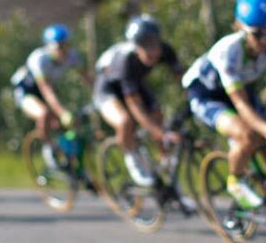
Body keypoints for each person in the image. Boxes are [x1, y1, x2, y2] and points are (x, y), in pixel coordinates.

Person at [181, 0, 266, 209]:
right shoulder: (229, 51)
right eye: (258, 34)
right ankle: (236, 180)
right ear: (240, 29)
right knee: (248, 134)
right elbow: (240, 105)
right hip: (208, 94)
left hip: (241, 87)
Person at [92, 14, 186, 187]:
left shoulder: (166, 50)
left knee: (158, 114)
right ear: (135, 46)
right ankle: (131, 155)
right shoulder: (125, 61)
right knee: (125, 121)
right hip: (108, 89)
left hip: (134, 83)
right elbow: (135, 106)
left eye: (154, 43)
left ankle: (165, 166)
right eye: (144, 46)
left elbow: (184, 81)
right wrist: (158, 131)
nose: (151, 52)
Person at [10, 24, 93, 166]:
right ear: (49, 47)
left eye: (66, 45)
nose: (63, 51)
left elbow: (88, 79)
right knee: (44, 114)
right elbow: (46, 91)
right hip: (26, 90)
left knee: (69, 124)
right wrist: (62, 112)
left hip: (48, 90)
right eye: (59, 47)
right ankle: (48, 148)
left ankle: (73, 164)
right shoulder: (39, 59)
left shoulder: (71, 56)